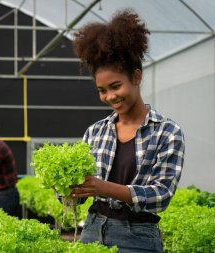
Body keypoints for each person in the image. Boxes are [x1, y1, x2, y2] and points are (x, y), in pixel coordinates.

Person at [69, 9, 185, 253]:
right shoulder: (95, 132)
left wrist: (103, 187)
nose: (110, 96)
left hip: (138, 238)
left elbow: (161, 195)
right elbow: (80, 194)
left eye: (115, 86)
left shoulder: (167, 132)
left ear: (136, 77)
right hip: (92, 230)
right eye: (102, 90)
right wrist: (67, 188)